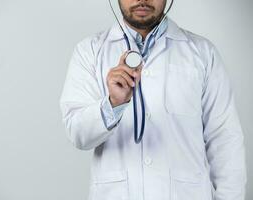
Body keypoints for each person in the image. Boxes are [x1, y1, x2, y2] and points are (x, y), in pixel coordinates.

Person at [59, 0, 247, 199]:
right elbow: (78, 133)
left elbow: (225, 140)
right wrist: (113, 104)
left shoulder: (203, 53)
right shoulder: (89, 51)